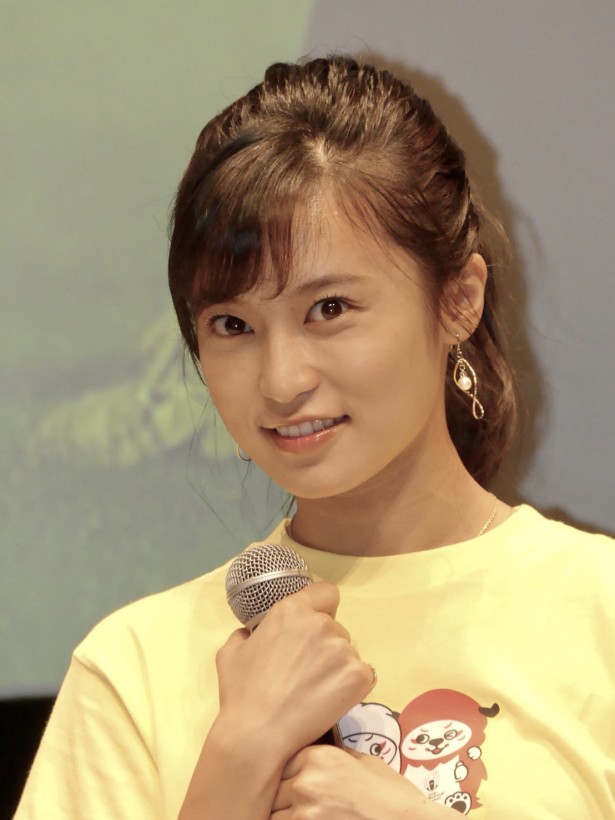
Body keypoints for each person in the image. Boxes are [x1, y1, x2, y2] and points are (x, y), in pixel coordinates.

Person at [16, 56, 615, 819]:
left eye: (328, 309)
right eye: (231, 325)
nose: (280, 380)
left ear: (458, 300)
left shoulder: (597, 610)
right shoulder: (131, 667)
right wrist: (239, 757)